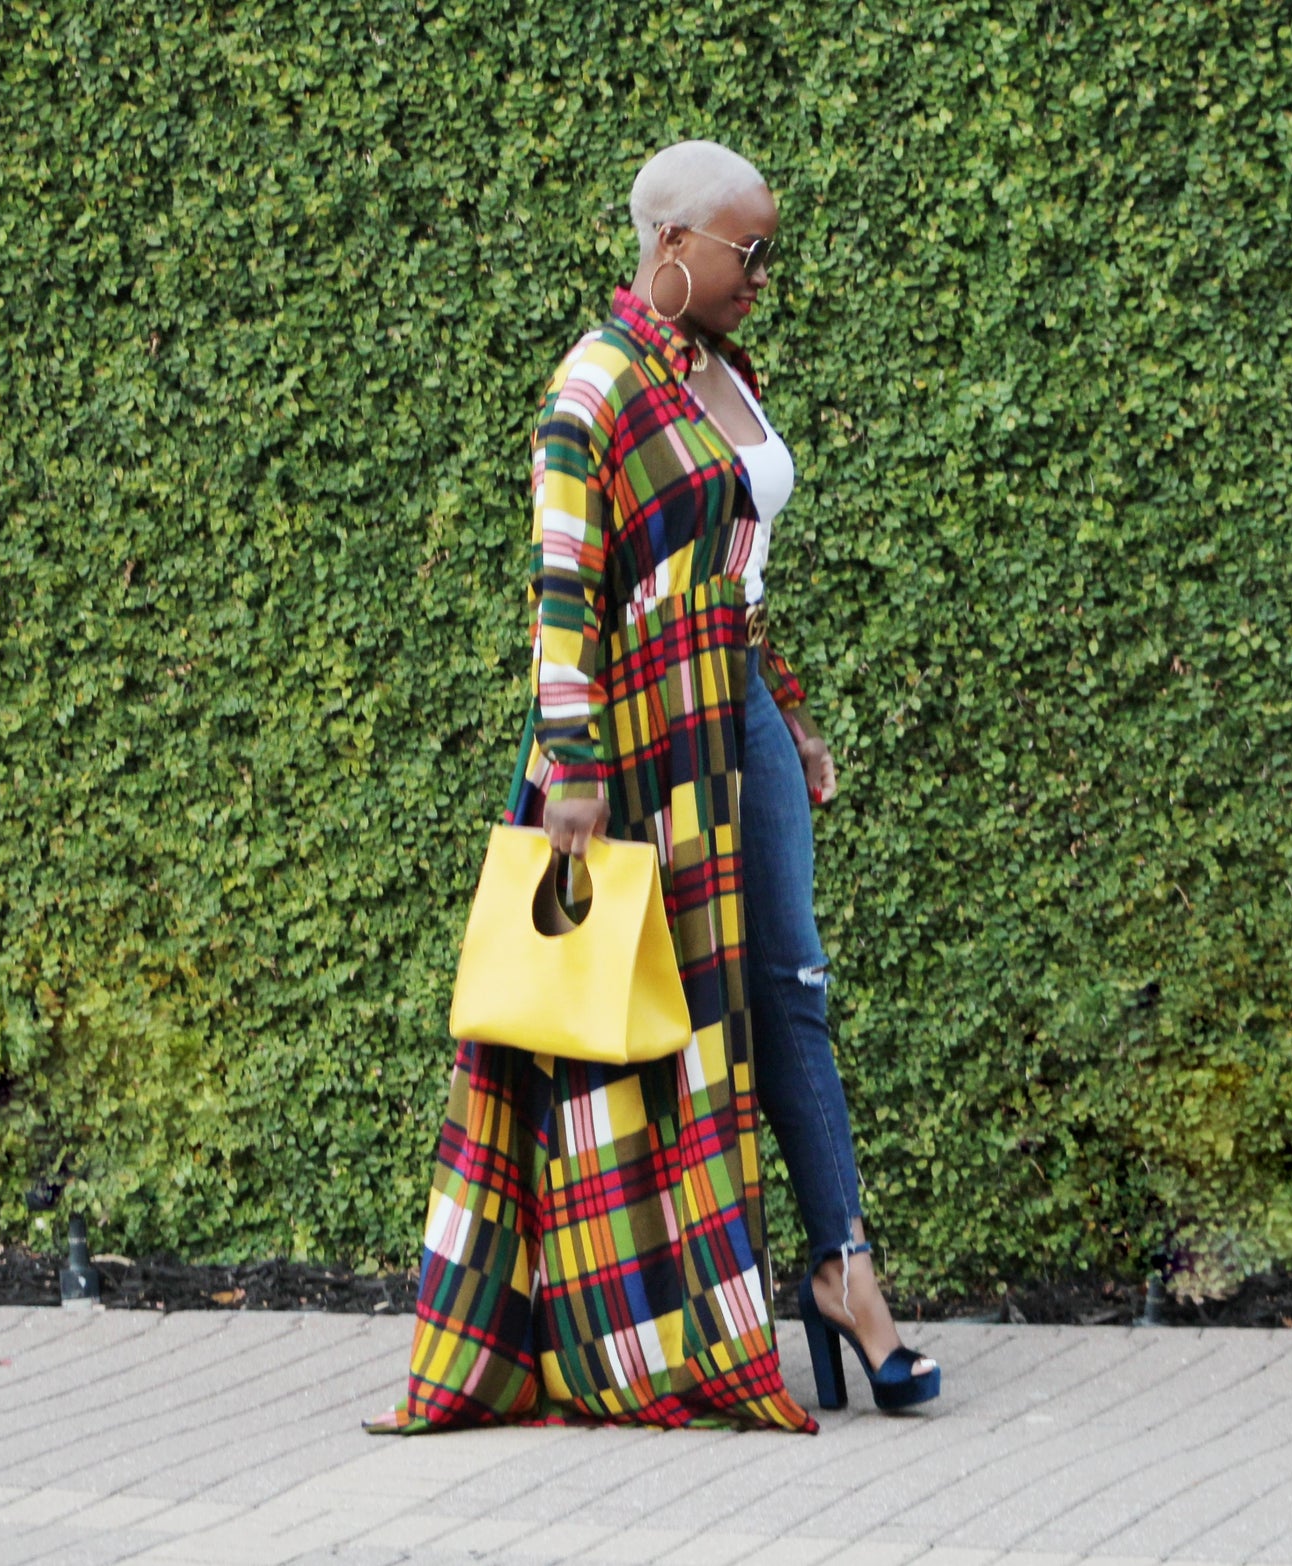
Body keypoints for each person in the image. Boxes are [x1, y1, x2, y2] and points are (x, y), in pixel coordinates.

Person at [373, 140, 938, 1433]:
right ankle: (665, 1316)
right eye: (750, 251)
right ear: (672, 242)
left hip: (736, 712)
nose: (763, 276)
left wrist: (787, 711)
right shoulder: (598, 382)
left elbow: (730, 570)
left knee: (789, 985)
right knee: (661, 1019)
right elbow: (563, 584)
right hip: (637, 739)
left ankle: (844, 1269)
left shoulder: (723, 371)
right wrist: (572, 767)